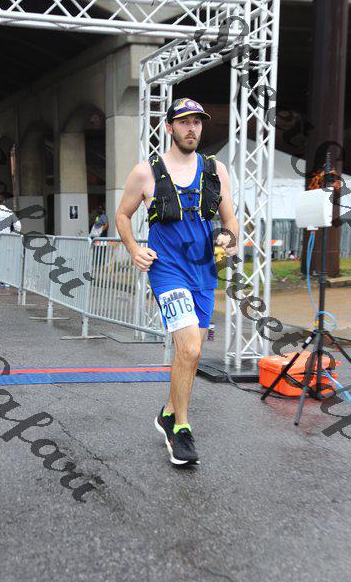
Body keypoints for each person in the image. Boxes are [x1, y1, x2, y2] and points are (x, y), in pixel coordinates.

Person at [116, 97, 239, 466]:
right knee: (189, 348)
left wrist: (228, 241)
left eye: (197, 122)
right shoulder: (146, 172)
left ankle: (168, 413)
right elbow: (122, 215)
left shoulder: (215, 169)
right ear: (169, 127)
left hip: (204, 271)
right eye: (184, 122)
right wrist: (134, 248)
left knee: (192, 353)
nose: (192, 128)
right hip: (167, 271)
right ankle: (181, 430)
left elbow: (230, 222)